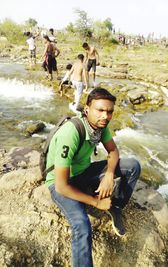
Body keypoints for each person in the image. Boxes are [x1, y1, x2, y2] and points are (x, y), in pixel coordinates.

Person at [45, 88, 141, 267]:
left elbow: (113, 151)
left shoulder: (100, 126)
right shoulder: (71, 133)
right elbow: (61, 186)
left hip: (83, 172)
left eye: (110, 111)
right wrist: (96, 203)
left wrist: (109, 175)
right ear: (87, 109)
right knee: (82, 225)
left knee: (133, 166)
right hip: (62, 182)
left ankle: (116, 207)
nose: (105, 116)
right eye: (100, 110)